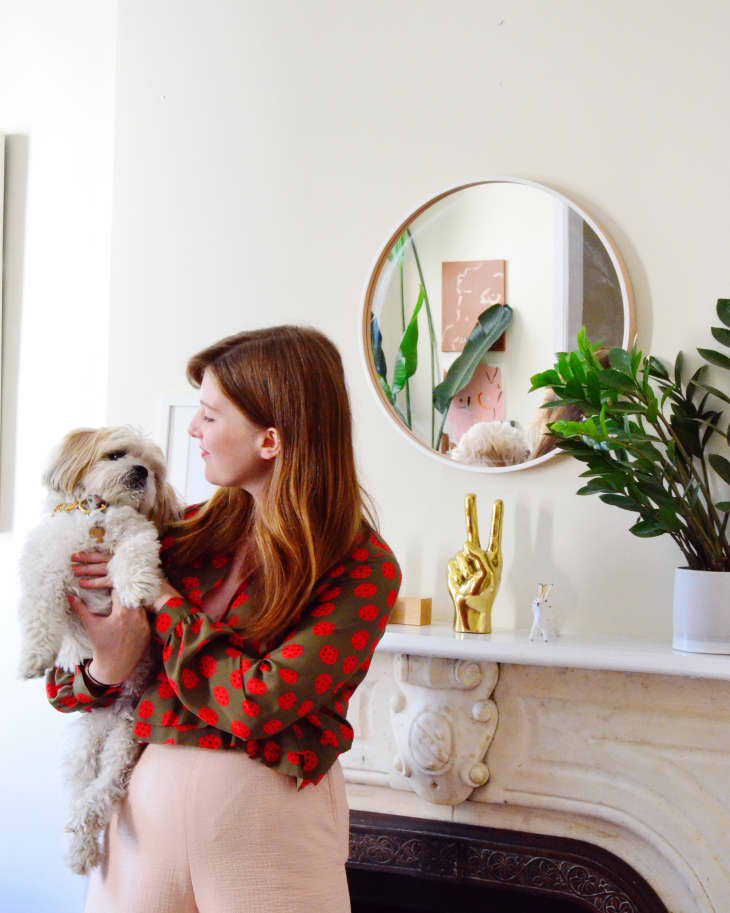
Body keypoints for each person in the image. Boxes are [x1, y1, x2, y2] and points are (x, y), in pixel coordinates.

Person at [46, 325, 402, 913]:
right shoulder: (175, 535)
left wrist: (163, 600)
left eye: (209, 416)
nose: (193, 430)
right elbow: (65, 684)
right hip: (143, 817)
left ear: (270, 439)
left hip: (270, 825)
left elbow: (259, 703)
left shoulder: (361, 566)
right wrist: (107, 668)